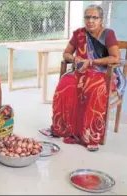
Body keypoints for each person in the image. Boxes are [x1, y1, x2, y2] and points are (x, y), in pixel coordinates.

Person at [39, 5, 126, 151]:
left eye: (94, 17)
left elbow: (115, 57)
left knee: (94, 89)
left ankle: (90, 135)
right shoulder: (79, 34)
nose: (90, 20)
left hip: (103, 73)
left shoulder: (108, 34)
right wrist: (75, 59)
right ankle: (61, 128)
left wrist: (91, 62)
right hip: (81, 72)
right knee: (65, 84)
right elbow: (66, 53)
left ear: (101, 20)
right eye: (87, 17)